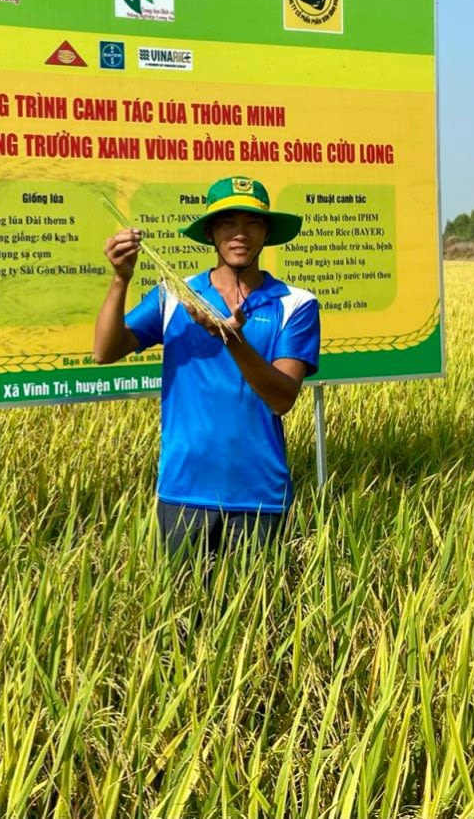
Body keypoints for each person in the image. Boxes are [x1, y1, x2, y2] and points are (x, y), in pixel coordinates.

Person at [94, 177, 320, 557]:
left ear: (267, 232)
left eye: (252, 222)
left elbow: (282, 398)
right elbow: (105, 350)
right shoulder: (175, 296)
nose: (240, 233)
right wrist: (121, 278)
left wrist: (232, 339)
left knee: (255, 596)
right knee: (180, 595)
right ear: (211, 232)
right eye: (228, 222)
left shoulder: (295, 304)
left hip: (260, 495)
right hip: (183, 491)